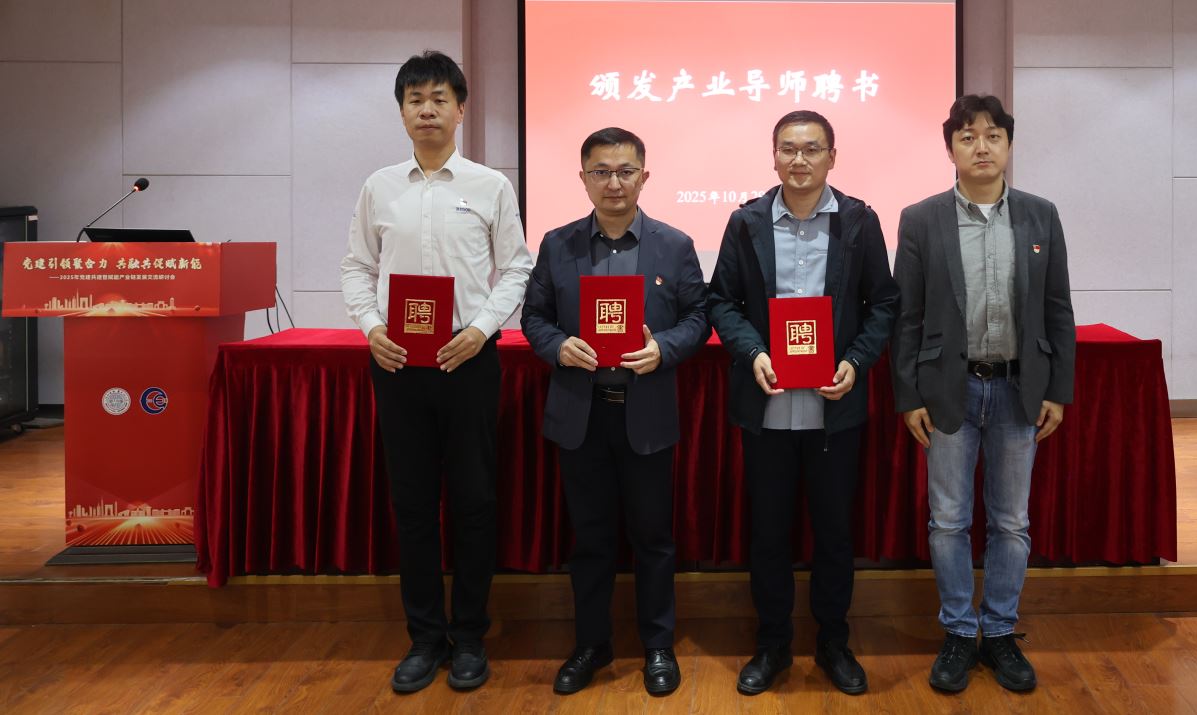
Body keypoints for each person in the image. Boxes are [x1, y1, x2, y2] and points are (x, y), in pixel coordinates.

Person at [340, 50, 532, 694]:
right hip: (398, 364)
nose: (427, 110)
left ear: (460, 110)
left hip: (468, 360)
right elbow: (357, 267)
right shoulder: (379, 187)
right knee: (413, 504)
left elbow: (516, 267)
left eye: (439, 99)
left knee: (474, 501)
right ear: (401, 112)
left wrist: (482, 329)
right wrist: (372, 328)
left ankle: (471, 635)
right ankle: (424, 638)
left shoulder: (489, 185)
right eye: (415, 100)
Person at [707, 110, 898, 696]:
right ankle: (772, 645)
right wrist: (753, 352)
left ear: (831, 158)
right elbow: (721, 302)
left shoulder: (859, 221)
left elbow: (883, 304)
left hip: (833, 407)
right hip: (766, 407)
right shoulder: (746, 222)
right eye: (788, 148)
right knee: (768, 534)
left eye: (812, 149)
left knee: (834, 534)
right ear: (773, 157)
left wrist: (855, 362)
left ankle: (834, 644)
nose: (799, 160)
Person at [891, 93, 1074, 694]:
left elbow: (1057, 308)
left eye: (993, 135)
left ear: (1009, 145)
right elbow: (906, 316)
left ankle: (998, 632)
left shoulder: (1041, 216)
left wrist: (1058, 389)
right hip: (950, 389)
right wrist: (908, 395)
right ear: (950, 149)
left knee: (1011, 522)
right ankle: (956, 631)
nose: (981, 147)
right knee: (948, 521)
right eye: (967, 137)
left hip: (1020, 389)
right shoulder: (921, 219)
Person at [521, 127, 709, 696]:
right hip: (582, 414)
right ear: (582, 178)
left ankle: (658, 645)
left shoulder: (674, 245)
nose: (614, 183)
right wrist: (558, 346)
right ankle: (591, 644)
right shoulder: (557, 244)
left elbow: (699, 318)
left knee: (654, 538)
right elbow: (534, 318)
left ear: (644, 177)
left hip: (645, 411)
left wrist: (664, 348)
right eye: (600, 172)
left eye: (625, 171)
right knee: (591, 540)